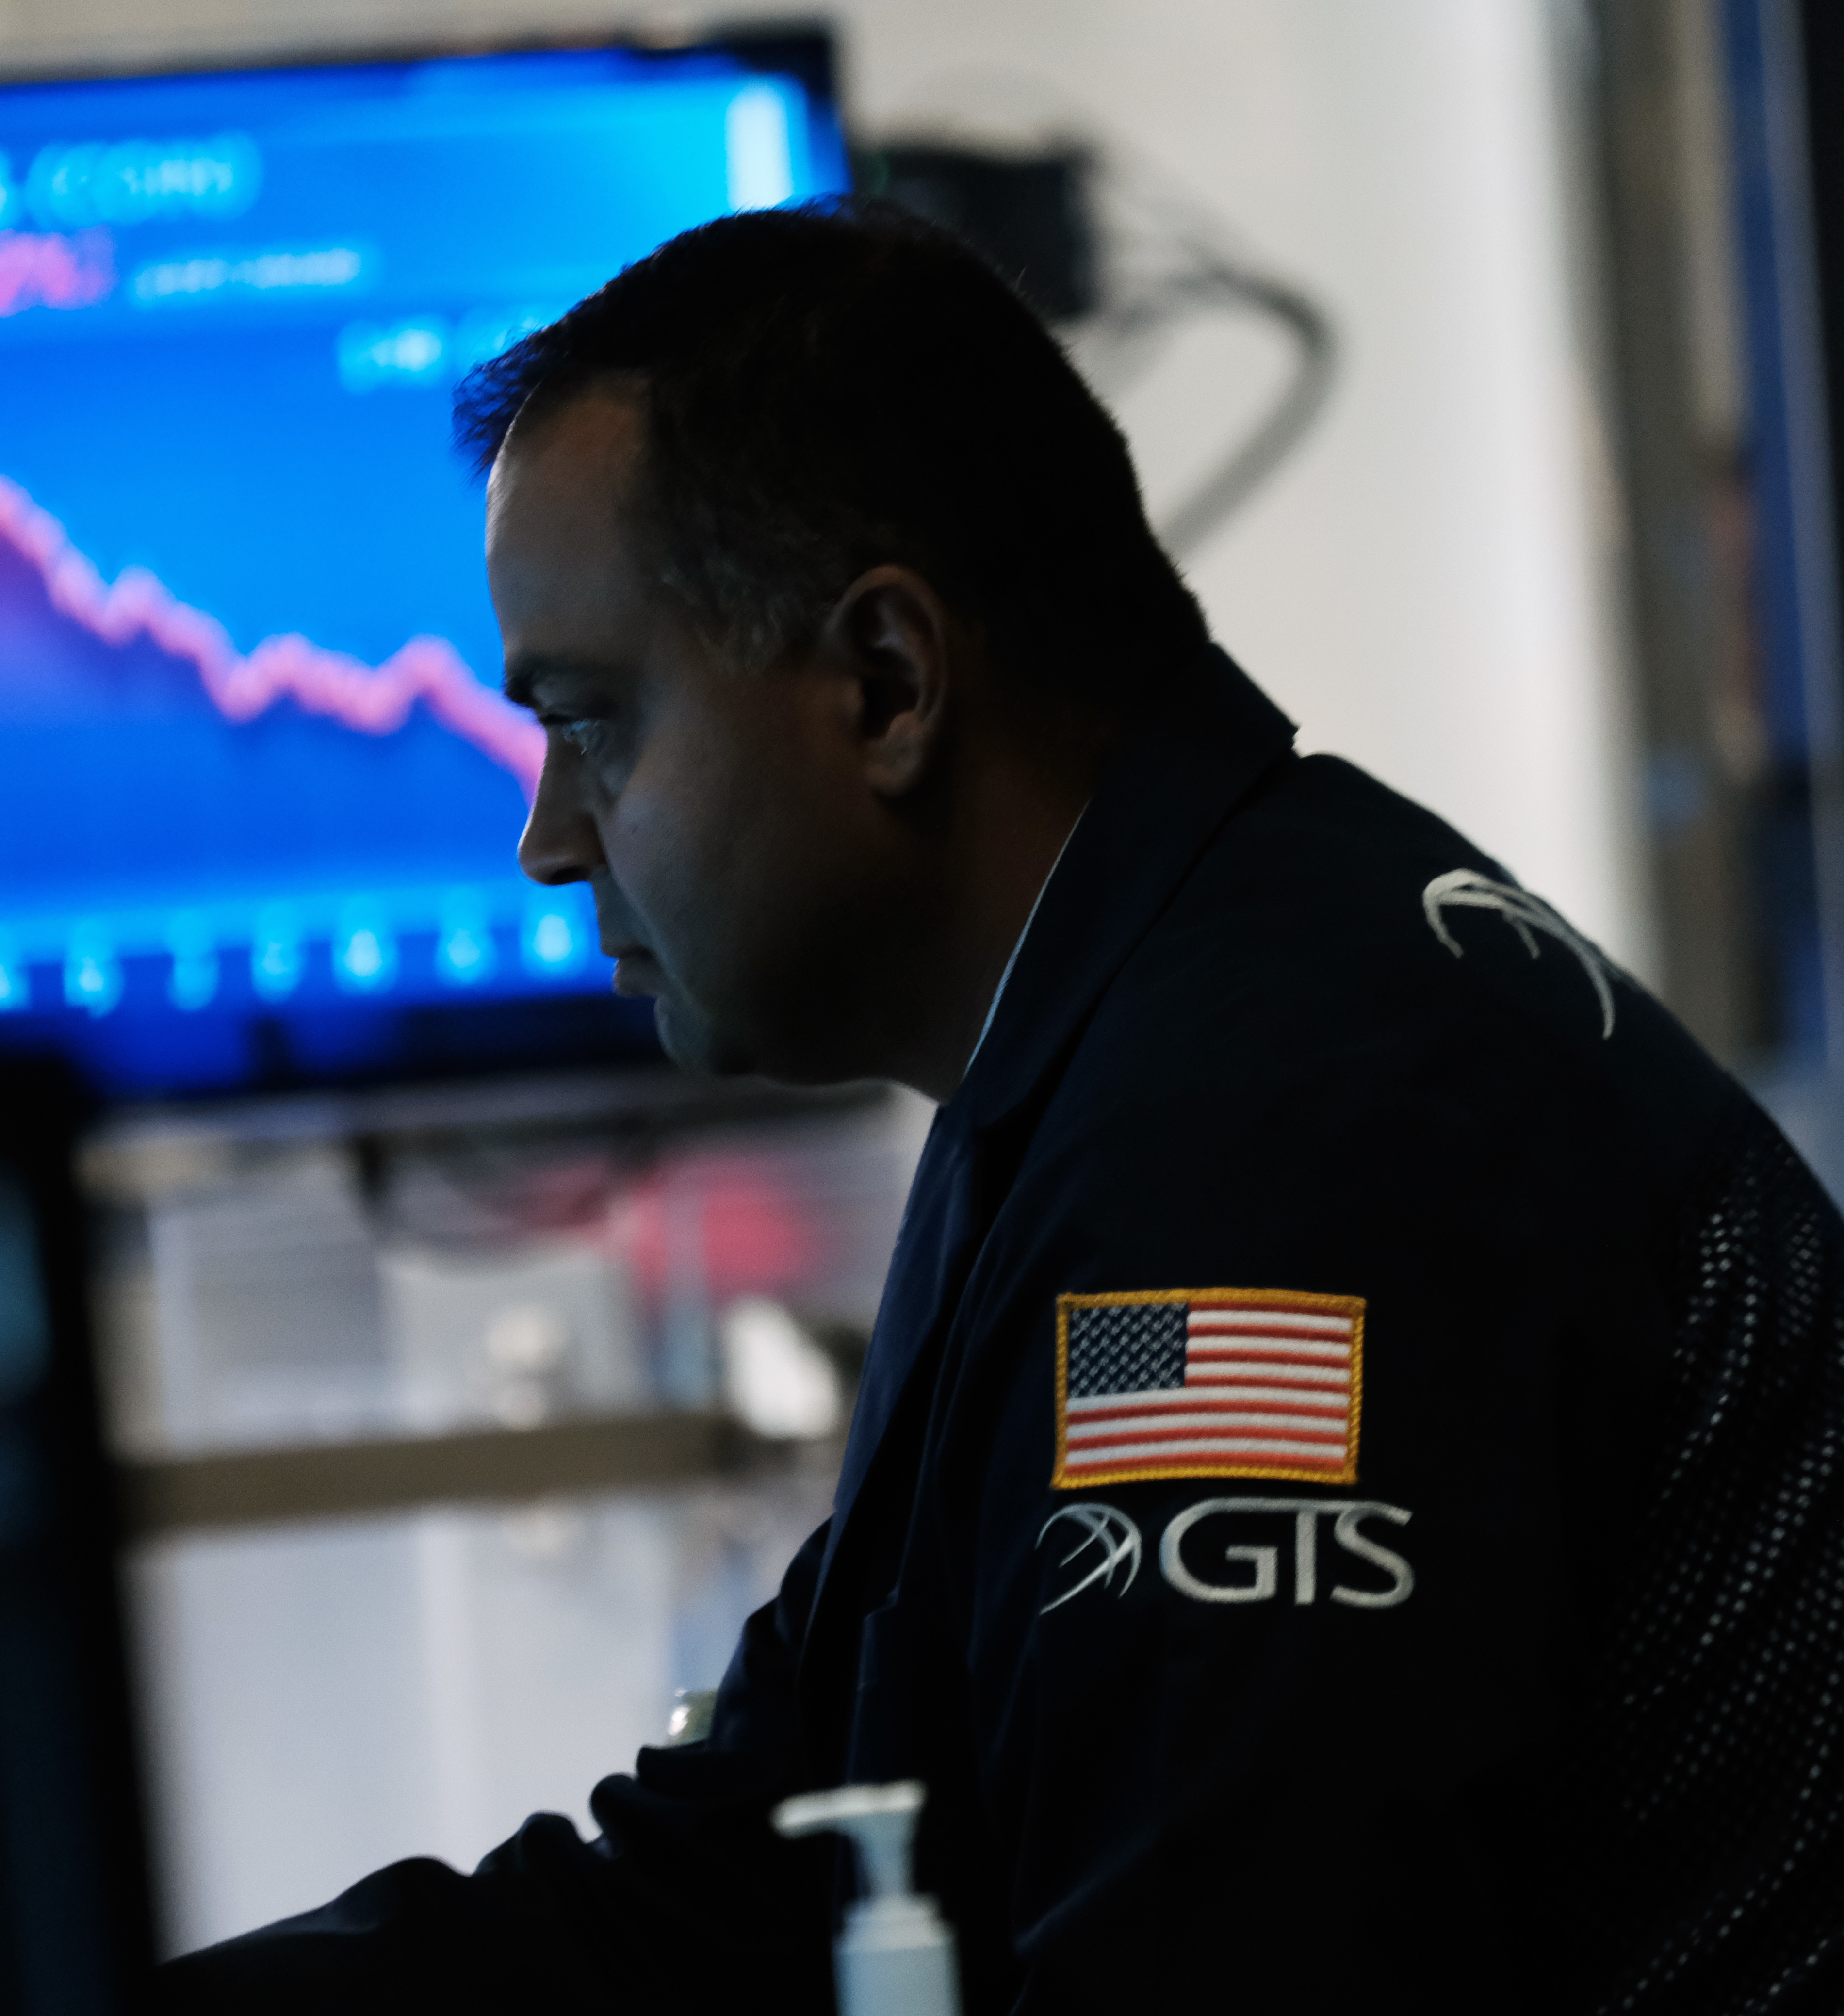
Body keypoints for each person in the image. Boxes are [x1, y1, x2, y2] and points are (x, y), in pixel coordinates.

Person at [159, 200, 1844, 2014]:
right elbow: (742, 1880)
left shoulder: (1264, 1150)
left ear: (885, 683)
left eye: (595, 722)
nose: (551, 840)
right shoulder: (1133, 1042)